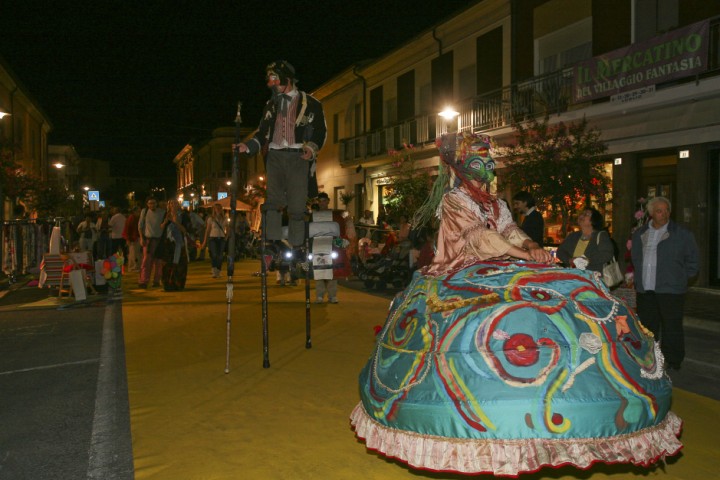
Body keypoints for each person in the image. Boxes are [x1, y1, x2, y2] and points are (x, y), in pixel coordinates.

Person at [350, 132, 680, 476]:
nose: (488, 165)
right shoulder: (455, 200)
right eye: (480, 158)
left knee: (563, 291)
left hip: (501, 262)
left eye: (489, 159)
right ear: (464, 164)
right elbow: (479, 239)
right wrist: (522, 252)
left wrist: (533, 246)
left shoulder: (495, 202)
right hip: (463, 267)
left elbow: (508, 230)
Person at [234, 60, 327, 248]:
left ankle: (297, 243)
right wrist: (248, 146)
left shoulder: (311, 103)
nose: (271, 83)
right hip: (275, 155)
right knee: (273, 202)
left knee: (297, 205)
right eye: (269, 79)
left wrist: (311, 148)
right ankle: (273, 242)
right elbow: (262, 133)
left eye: (275, 78)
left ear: (287, 78)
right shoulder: (270, 105)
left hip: (298, 156)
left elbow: (320, 130)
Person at [631, 196, 699, 370]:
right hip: (646, 288)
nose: (664, 214)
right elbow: (636, 257)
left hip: (670, 289)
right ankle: (649, 357)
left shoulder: (681, 234)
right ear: (652, 213)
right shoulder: (641, 233)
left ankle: (673, 359)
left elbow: (693, 260)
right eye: (660, 211)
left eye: (667, 210)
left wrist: (681, 277)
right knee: (647, 326)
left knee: (672, 326)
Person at [313, 192, 355, 304]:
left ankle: (332, 295)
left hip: (333, 246)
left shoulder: (335, 214)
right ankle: (319, 295)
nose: (322, 203)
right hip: (319, 246)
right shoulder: (314, 215)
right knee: (319, 271)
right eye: (320, 201)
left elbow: (345, 223)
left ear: (328, 201)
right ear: (318, 202)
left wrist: (345, 238)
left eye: (324, 201)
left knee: (333, 271)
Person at [556, 207, 615, 273]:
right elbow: (560, 251)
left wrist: (588, 260)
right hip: (573, 275)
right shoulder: (573, 236)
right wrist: (569, 260)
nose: (582, 216)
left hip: (593, 277)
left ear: (594, 220)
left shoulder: (601, 236)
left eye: (586, 214)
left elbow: (607, 254)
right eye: (582, 213)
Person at [159, 199, 190, 291]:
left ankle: (178, 284)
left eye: (175, 203)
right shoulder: (166, 214)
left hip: (179, 243)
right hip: (168, 243)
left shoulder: (183, 215)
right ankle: (167, 284)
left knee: (179, 264)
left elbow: (185, 230)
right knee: (167, 265)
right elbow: (161, 227)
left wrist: (176, 221)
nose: (172, 205)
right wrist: (165, 221)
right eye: (170, 203)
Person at [138, 196, 166, 289]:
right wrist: (142, 238)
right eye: (150, 203)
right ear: (147, 204)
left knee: (158, 262)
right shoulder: (144, 212)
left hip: (159, 240)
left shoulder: (162, 212)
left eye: (153, 203)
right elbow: (140, 226)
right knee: (146, 261)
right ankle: (144, 281)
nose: (152, 205)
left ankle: (156, 281)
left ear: (156, 203)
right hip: (148, 240)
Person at [200, 203, 227, 278]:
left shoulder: (224, 218)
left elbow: (228, 228)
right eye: (216, 208)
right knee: (214, 254)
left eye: (219, 208)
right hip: (213, 238)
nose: (218, 210)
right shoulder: (211, 219)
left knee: (220, 256)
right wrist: (205, 241)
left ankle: (219, 270)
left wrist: (226, 237)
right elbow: (207, 230)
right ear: (214, 210)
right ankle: (214, 270)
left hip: (221, 238)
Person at [123, 206, 141, 272]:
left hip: (135, 237)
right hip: (133, 238)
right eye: (138, 211)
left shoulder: (135, 218)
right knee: (133, 253)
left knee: (135, 253)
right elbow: (127, 229)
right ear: (134, 212)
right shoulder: (131, 218)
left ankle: (135, 266)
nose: (140, 213)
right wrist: (127, 239)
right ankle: (133, 267)